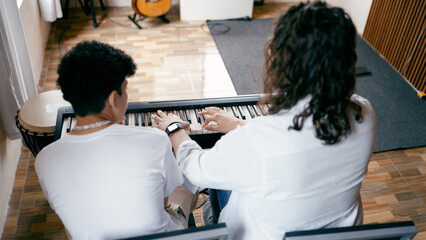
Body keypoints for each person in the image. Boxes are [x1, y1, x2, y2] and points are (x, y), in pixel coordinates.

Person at [152, 2, 376, 240]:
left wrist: (174, 128)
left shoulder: (261, 139)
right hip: (336, 233)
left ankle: (210, 214)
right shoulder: (364, 113)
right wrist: (239, 126)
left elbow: (196, 169)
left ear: (279, 60)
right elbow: (293, 144)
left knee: (210, 173)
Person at [35, 41, 197, 240]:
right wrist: (167, 132)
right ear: (113, 99)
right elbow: (161, 205)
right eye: (125, 89)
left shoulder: (44, 159)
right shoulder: (155, 140)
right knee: (186, 181)